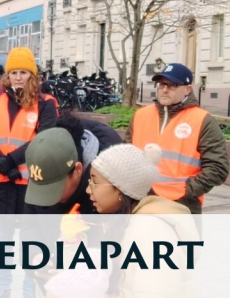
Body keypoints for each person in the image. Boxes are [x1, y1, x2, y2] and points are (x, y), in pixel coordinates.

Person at [0, 47, 57, 298]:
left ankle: (27, 289)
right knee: (2, 241)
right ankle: (2, 289)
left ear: (32, 75)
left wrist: (10, 161)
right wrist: (1, 163)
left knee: (29, 241)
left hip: (28, 184)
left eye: (23, 72)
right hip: (0, 181)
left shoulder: (45, 104)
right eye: (14, 72)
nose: (18, 77)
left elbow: (42, 138)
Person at [87, 143, 198, 297]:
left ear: (121, 188)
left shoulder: (151, 234)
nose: (88, 189)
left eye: (95, 182)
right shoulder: (122, 220)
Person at [128, 63, 229, 214]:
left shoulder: (201, 120)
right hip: (141, 199)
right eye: (162, 84)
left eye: (172, 85)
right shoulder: (141, 115)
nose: (164, 89)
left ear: (188, 89)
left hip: (182, 204)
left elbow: (218, 167)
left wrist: (186, 191)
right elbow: (126, 155)